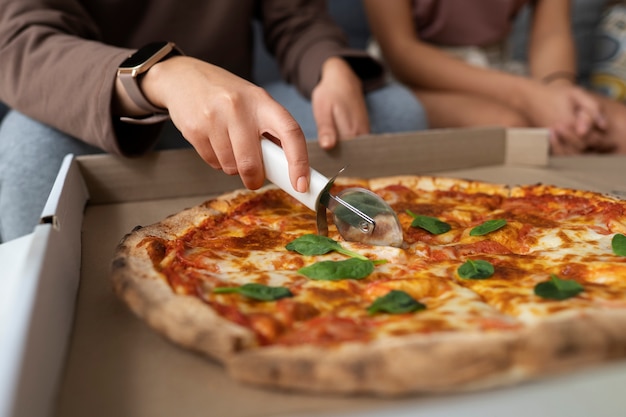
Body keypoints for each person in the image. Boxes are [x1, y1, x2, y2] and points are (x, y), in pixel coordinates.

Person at [0, 0, 427, 243]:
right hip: (106, 108)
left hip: (239, 121)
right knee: (27, 150)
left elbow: (297, 17)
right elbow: (20, 41)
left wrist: (326, 64)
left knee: (396, 111)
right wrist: (159, 75)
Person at [363, 0, 626, 155]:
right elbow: (402, 52)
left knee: (619, 127)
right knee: (510, 130)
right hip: (414, 77)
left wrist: (559, 93)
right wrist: (528, 96)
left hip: (499, 69)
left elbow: (551, 35)